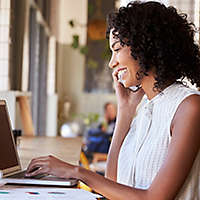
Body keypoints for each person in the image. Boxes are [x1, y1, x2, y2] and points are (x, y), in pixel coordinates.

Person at [25, 1, 200, 199]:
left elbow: (154, 198)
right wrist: (125, 111)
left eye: (117, 50)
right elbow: (113, 182)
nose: (111, 63)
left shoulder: (189, 107)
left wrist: (75, 171)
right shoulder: (145, 108)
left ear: (145, 46)